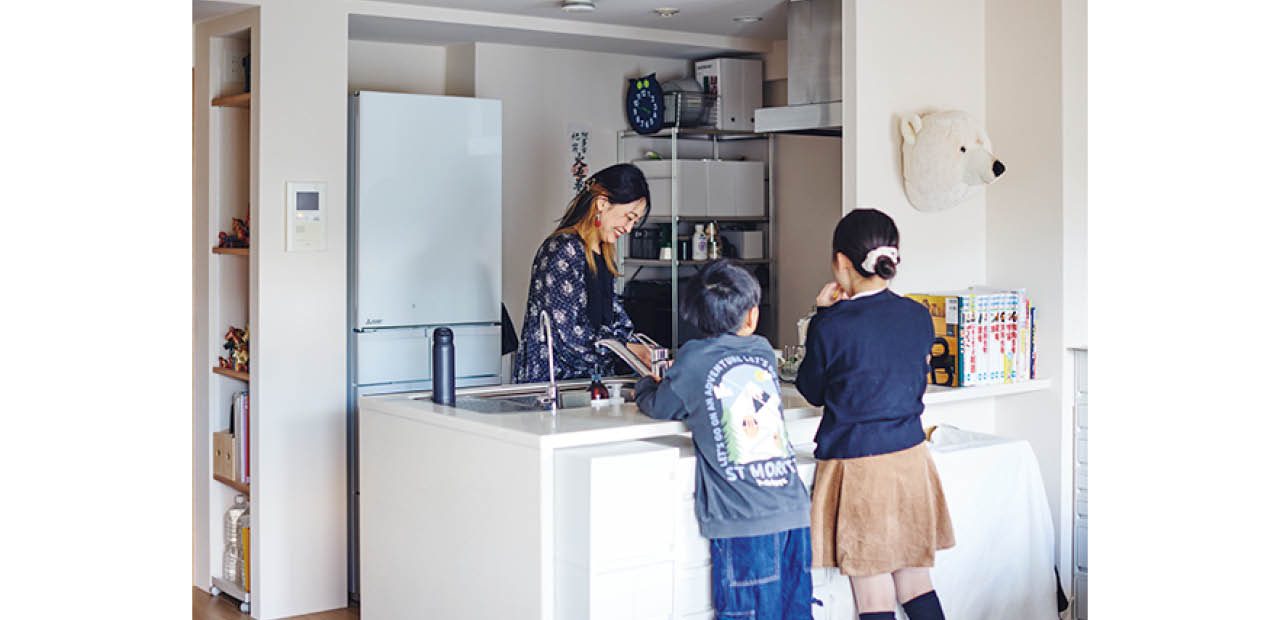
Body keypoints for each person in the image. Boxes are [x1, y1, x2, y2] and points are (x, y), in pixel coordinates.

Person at [795, 209, 955, 620]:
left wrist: (822, 313)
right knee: (917, 586)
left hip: (859, 469)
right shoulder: (918, 316)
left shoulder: (831, 325)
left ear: (842, 263)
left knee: (874, 599)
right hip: (911, 461)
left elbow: (812, 391)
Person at [634, 260, 813, 619]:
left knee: (745, 613)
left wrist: (645, 384)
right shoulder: (763, 350)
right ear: (751, 316)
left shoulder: (692, 360)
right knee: (795, 613)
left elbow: (661, 406)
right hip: (793, 510)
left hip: (742, 517)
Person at [513, 163, 653, 382]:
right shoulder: (562, 249)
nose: (629, 229)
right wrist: (627, 350)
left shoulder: (602, 253)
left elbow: (617, 323)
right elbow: (570, 339)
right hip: (552, 389)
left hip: (590, 385)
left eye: (635, 222)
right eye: (629, 217)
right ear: (602, 203)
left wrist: (645, 351)